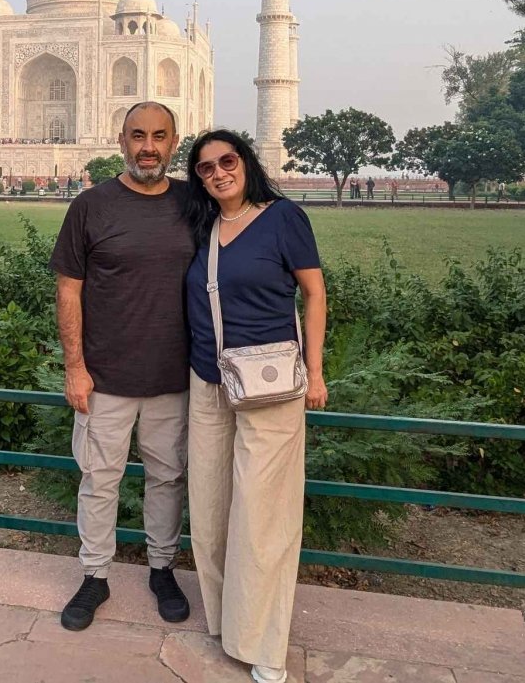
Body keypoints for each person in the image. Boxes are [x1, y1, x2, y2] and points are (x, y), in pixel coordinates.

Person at [183, 129, 328, 682]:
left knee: (263, 515)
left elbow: (314, 293)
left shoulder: (282, 218)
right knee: (213, 507)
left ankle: (265, 644)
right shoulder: (204, 226)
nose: (219, 172)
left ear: (245, 162)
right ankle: (226, 621)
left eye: (227, 160)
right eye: (206, 167)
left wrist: (315, 372)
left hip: (269, 386)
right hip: (209, 382)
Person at [49, 101, 193, 632]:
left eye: (158, 136)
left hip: (174, 376)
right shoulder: (92, 206)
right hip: (105, 376)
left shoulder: (193, 204)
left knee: (167, 478)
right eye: (138, 135)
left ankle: (161, 569)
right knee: (99, 479)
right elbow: (69, 289)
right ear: (121, 139)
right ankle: (95, 575)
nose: (148, 146)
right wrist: (74, 367)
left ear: (174, 143)